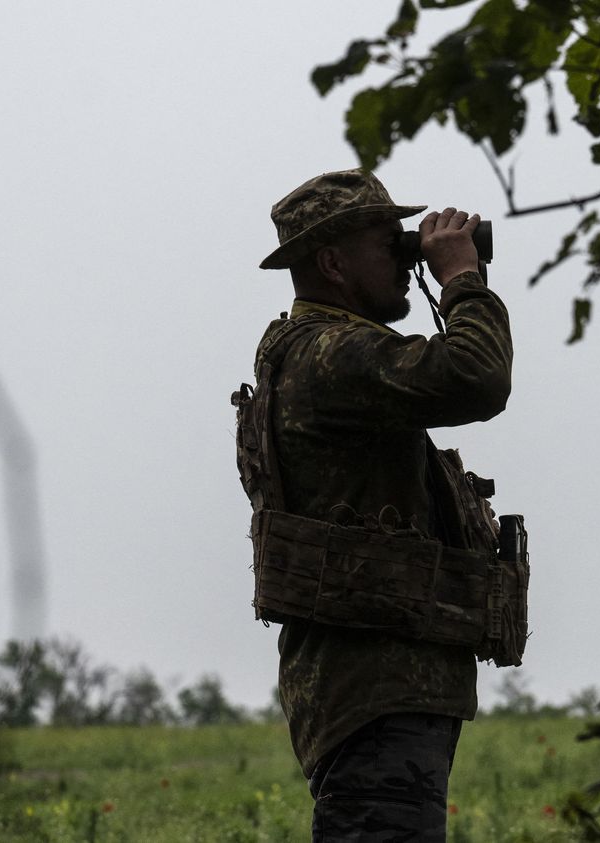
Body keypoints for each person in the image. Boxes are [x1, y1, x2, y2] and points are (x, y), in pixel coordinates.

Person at [242, 168, 513, 841]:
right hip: (375, 691)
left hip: (374, 687)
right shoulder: (332, 357)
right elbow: (476, 376)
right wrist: (460, 277)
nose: (402, 253)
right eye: (383, 242)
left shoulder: (319, 353)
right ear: (332, 263)